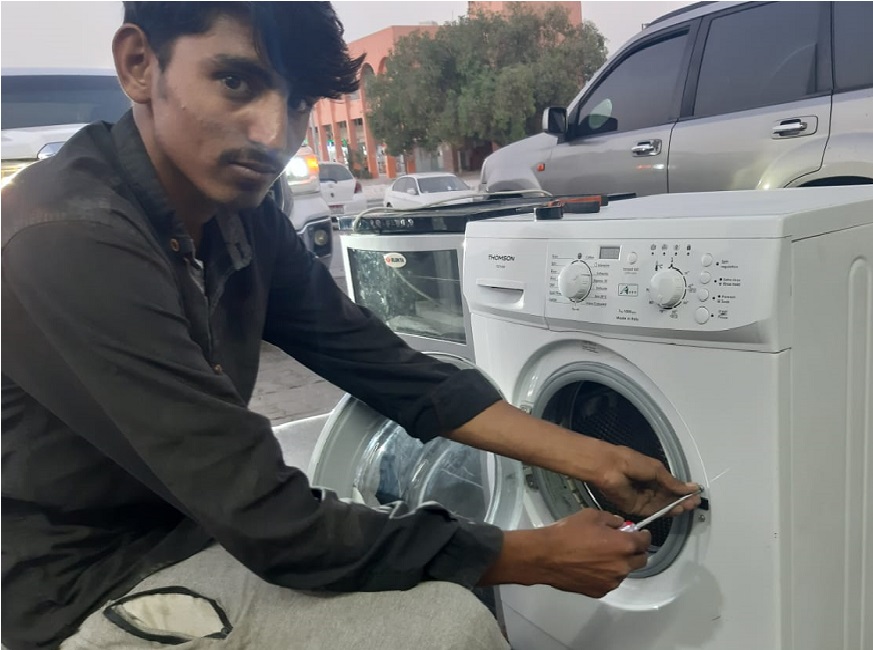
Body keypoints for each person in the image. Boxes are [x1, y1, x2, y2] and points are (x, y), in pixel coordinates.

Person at [0, 3, 700, 649]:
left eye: (298, 101)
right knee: (449, 624)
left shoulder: (239, 214)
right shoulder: (69, 238)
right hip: (85, 585)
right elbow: (272, 523)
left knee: (451, 592)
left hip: (196, 533)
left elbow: (387, 367)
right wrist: (531, 556)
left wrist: (594, 459)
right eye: (236, 82)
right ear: (138, 64)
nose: (274, 134)